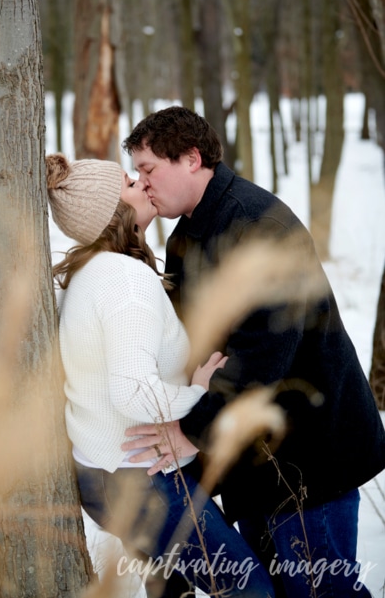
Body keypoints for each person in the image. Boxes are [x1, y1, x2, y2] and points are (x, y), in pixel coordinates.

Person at [121, 105, 385, 598]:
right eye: (138, 172)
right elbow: (172, 341)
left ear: (192, 159)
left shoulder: (258, 225)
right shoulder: (186, 238)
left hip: (309, 457)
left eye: (149, 169)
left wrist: (192, 432)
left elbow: (264, 350)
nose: (144, 183)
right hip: (254, 459)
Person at [45, 153, 276, 598]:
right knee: (252, 590)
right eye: (131, 183)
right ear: (115, 212)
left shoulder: (89, 273)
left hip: (103, 476)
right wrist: (200, 395)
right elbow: (133, 392)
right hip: (144, 483)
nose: (142, 185)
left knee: (171, 591)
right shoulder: (126, 281)